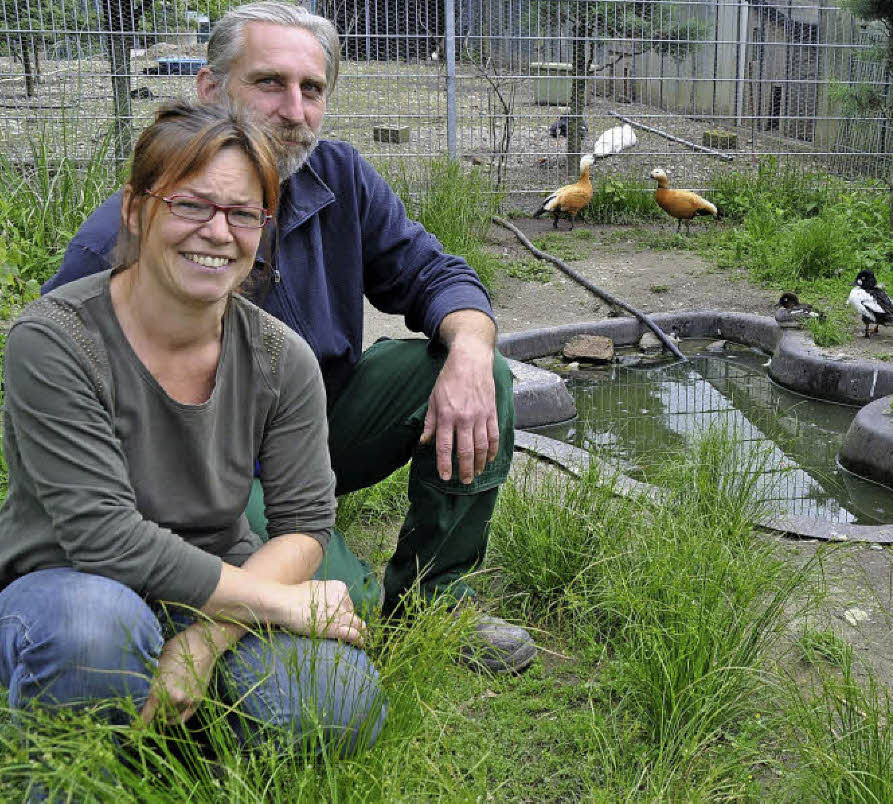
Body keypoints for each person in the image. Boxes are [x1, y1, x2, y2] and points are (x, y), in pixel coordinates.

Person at [44, 1, 535, 674]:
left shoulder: (340, 177)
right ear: (210, 90)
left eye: (313, 90)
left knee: (478, 371)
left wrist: (474, 352)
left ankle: (435, 600)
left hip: (318, 425)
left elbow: (434, 273)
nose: (295, 110)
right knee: (342, 608)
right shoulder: (123, 239)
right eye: (269, 83)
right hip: (202, 472)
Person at [0, 102, 384, 753]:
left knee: (339, 705)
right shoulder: (52, 339)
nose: (216, 232)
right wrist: (282, 604)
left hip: (212, 580)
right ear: (134, 210)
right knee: (94, 633)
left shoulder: (278, 356)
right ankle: (63, 760)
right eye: (189, 206)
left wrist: (207, 637)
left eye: (242, 214)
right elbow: (103, 538)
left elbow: (304, 525)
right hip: (68, 583)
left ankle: (176, 740)